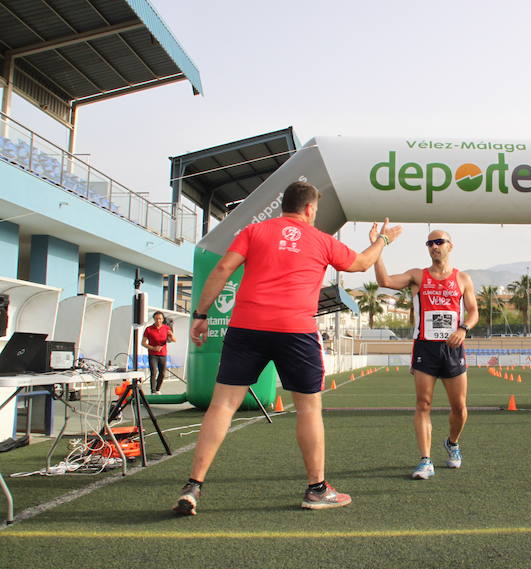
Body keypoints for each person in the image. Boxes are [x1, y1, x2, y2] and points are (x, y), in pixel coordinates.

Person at [172, 181, 402, 515]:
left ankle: (193, 486)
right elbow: (362, 264)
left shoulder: (254, 231)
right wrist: (383, 240)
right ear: (310, 208)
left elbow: (223, 268)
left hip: (247, 326)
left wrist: (201, 314)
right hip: (295, 330)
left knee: (222, 406)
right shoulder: (322, 240)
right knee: (308, 409)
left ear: (284, 205)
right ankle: (316, 489)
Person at [373, 229, 478, 479]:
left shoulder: (463, 279)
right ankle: (425, 460)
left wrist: (463, 328)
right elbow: (384, 281)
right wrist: (378, 246)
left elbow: (473, 311)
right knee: (423, 404)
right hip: (425, 348)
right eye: (429, 243)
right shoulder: (417, 276)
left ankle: (452, 443)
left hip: (453, 348)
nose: (434, 246)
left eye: (439, 242)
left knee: (460, 408)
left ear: (450, 246)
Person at [141, 311, 176, 394]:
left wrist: (171, 336)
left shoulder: (166, 328)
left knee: (162, 373)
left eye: (160, 318)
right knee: (153, 372)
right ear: (154, 319)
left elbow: (174, 340)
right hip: (153, 354)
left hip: (163, 354)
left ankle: (157, 389)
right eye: (156, 319)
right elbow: (143, 343)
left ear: (163, 319)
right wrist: (153, 348)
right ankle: (153, 391)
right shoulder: (148, 329)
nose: (158, 320)